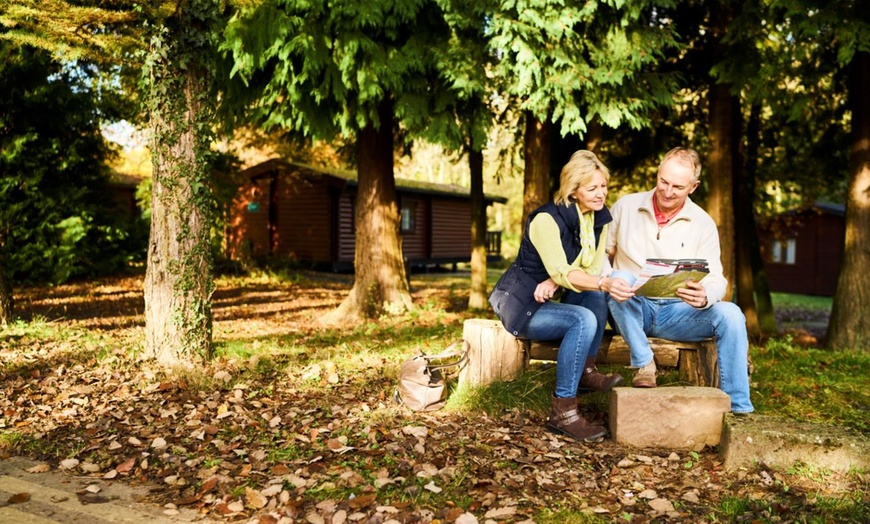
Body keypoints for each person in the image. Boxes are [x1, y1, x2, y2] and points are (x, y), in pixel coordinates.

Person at [601, 146, 754, 413]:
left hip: (677, 313)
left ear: (693, 188)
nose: (668, 191)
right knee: (620, 276)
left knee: (731, 314)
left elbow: (717, 278)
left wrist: (706, 295)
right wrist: (608, 277)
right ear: (658, 174)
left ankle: (739, 408)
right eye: (664, 182)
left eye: (678, 187)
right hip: (631, 307)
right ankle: (644, 363)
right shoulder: (626, 206)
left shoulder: (702, 223)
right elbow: (600, 254)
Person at [489, 150, 624, 442]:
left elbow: (589, 266)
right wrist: (590, 280)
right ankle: (563, 411)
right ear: (573, 191)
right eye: (592, 189)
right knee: (583, 318)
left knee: (595, 298)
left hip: (548, 297)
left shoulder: (598, 219)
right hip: (521, 304)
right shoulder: (546, 221)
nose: (601, 194)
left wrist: (556, 278)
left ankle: (585, 371)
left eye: (603, 186)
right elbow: (573, 272)